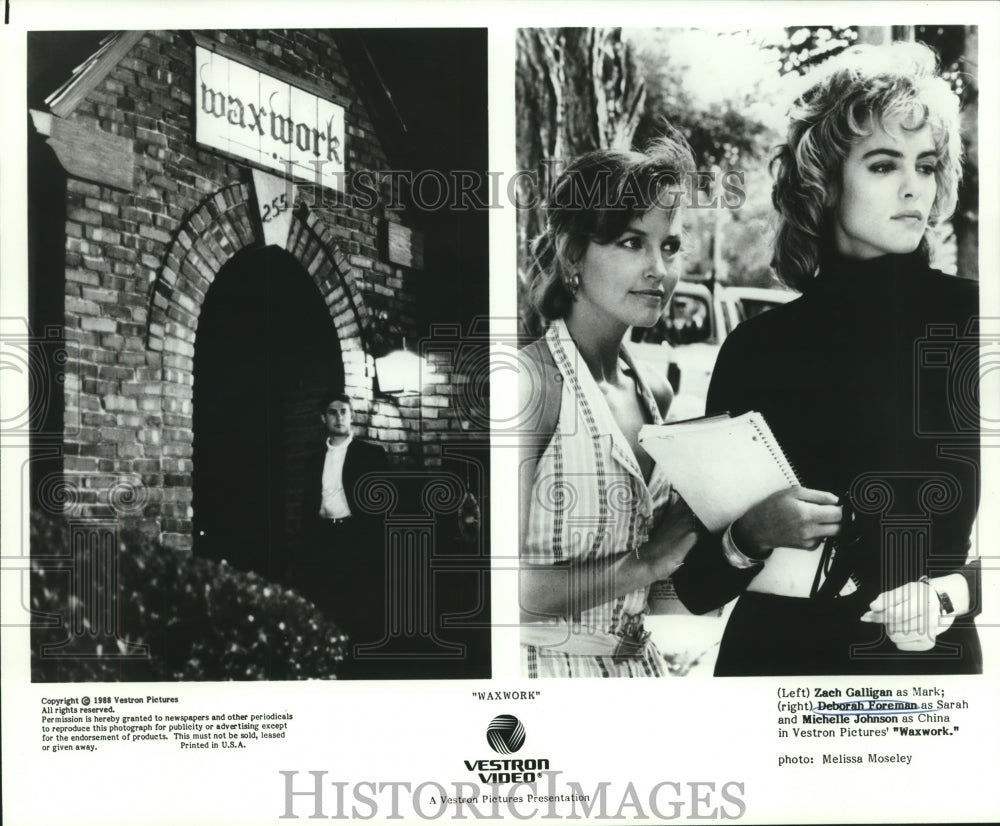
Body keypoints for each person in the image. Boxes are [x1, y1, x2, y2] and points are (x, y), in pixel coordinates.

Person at [672, 42, 982, 675]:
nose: (912, 188)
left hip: (923, 674)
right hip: (777, 671)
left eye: (926, 166)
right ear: (826, 177)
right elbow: (696, 587)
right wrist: (750, 535)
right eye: (882, 164)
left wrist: (949, 593)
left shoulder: (977, 324)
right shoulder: (756, 348)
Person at [518, 141, 840, 678]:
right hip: (546, 680)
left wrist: (749, 536)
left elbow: (666, 585)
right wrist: (643, 564)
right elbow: (501, 595)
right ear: (572, 254)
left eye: (669, 247)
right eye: (630, 242)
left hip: (639, 675)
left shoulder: (653, 392)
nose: (658, 270)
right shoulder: (533, 385)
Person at [299, 392, 389, 676]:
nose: (339, 417)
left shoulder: (371, 454)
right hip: (324, 538)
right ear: (323, 418)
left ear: (351, 416)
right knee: (327, 599)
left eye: (344, 412)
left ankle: (361, 665)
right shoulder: (314, 459)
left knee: (359, 601)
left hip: (356, 537)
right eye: (333, 412)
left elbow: (386, 502)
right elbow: (308, 502)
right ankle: (330, 661)